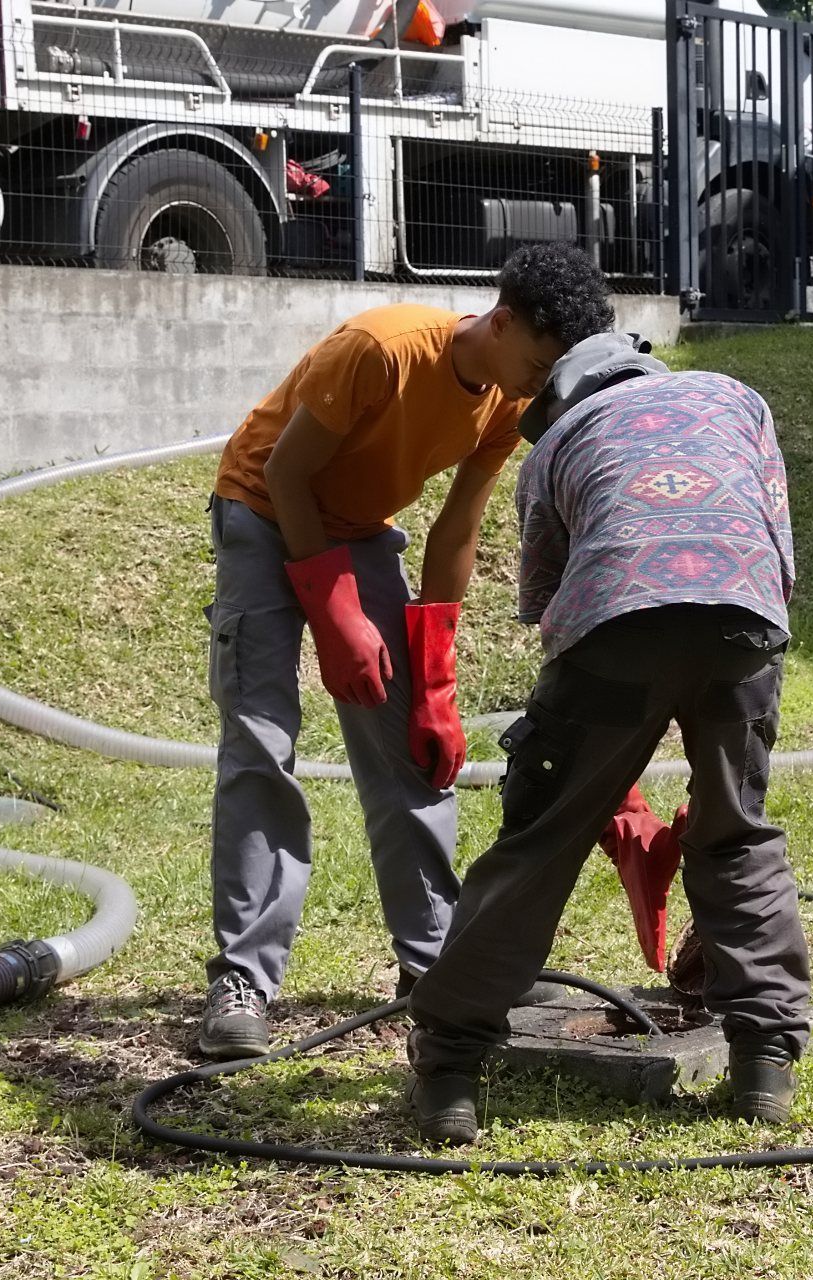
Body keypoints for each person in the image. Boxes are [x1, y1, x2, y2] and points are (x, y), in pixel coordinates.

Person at [198, 244, 617, 1060]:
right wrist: (333, 613)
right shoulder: (382, 350)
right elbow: (287, 476)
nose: (537, 385)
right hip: (259, 513)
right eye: (535, 361)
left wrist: (433, 673)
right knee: (261, 741)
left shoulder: (503, 402)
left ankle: (432, 963)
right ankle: (241, 983)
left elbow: (456, 528)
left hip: (356, 534)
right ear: (500, 322)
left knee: (415, 754)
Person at [405, 331, 813, 1142]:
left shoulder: (557, 442)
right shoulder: (734, 397)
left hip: (613, 631)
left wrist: (582, 766)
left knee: (539, 844)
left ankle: (450, 1064)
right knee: (737, 833)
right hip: (746, 620)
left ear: (560, 397)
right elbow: (777, 541)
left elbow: (547, 601)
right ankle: (763, 1060)